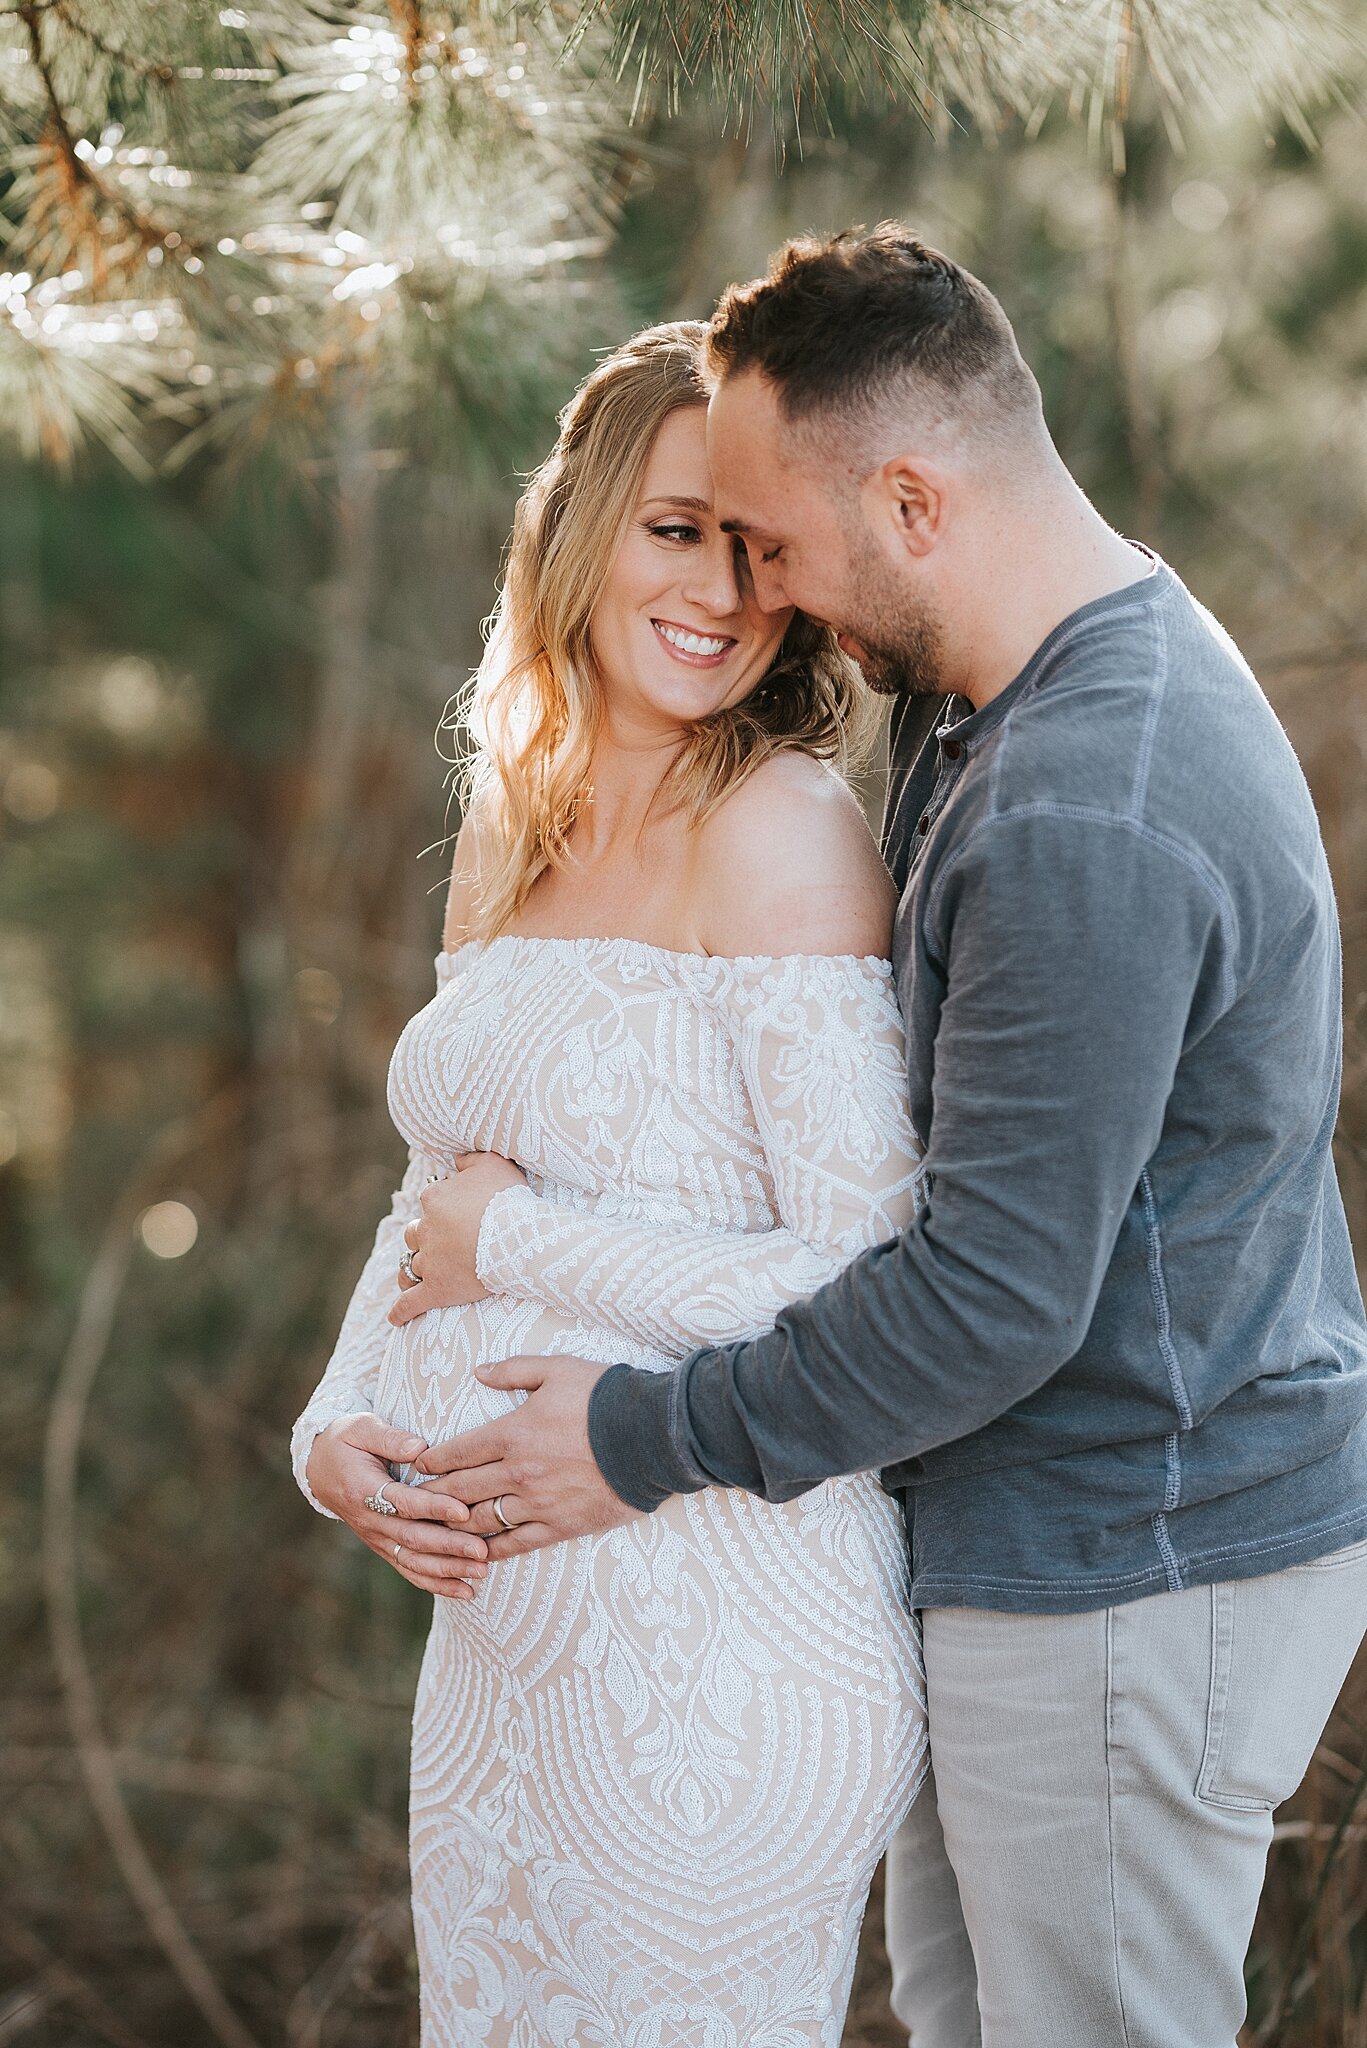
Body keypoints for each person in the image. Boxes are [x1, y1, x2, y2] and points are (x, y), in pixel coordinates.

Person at [407, 228, 1367, 2048]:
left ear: (913, 500)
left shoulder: (1092, 801)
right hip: (1020, 1531)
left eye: (775, 540)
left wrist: (638, 1433)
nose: (766, 595)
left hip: (1135, 1558)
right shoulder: (1004, 692)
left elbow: (988, 1297)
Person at [292, 320, 943, 2045]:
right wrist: (335, 1434)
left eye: (754, 548)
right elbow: (421, 1214)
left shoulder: (782, 825)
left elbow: (867, 1277)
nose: (722, 592)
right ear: (577, 525)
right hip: (509, 1647)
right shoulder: (518, 820)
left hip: (724, 1629)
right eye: (675, 529)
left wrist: (513, 1234)